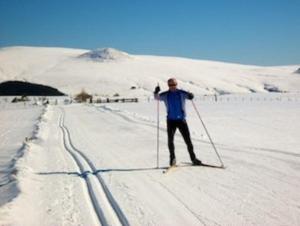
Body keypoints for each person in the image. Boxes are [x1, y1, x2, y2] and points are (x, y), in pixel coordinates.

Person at [154, 78, 202, 166]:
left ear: (176, 84)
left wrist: (191, 95)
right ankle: (172, 159)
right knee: (170, 141)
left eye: (174, 84)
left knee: (188, 141)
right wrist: (156, 92)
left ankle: (193, 159)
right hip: (171, 121)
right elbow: (157, 98)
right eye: (170, 85)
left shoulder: (181, 93)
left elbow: (190, 96)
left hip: (181, 120)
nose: (172, 86)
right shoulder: (165, 94)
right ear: (168, 85)